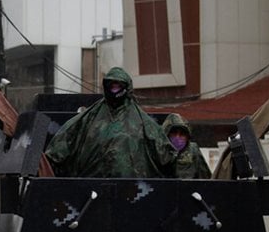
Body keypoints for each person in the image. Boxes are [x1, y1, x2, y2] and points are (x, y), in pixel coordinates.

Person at [45, 66, 176, 178]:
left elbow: (165, 155)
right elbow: (63, 142)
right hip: (92, 187)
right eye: (112, 86)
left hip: (133, 189)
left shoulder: (142, 121)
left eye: (118, 86)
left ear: (126, 87)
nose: (114, 90)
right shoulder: (90, 117)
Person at [162, 113, 211, 179]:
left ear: (187, 137)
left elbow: (205, 180)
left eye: (182, 134)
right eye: (174, 133)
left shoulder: (193, 151)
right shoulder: (159, 152)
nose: (177, 137)